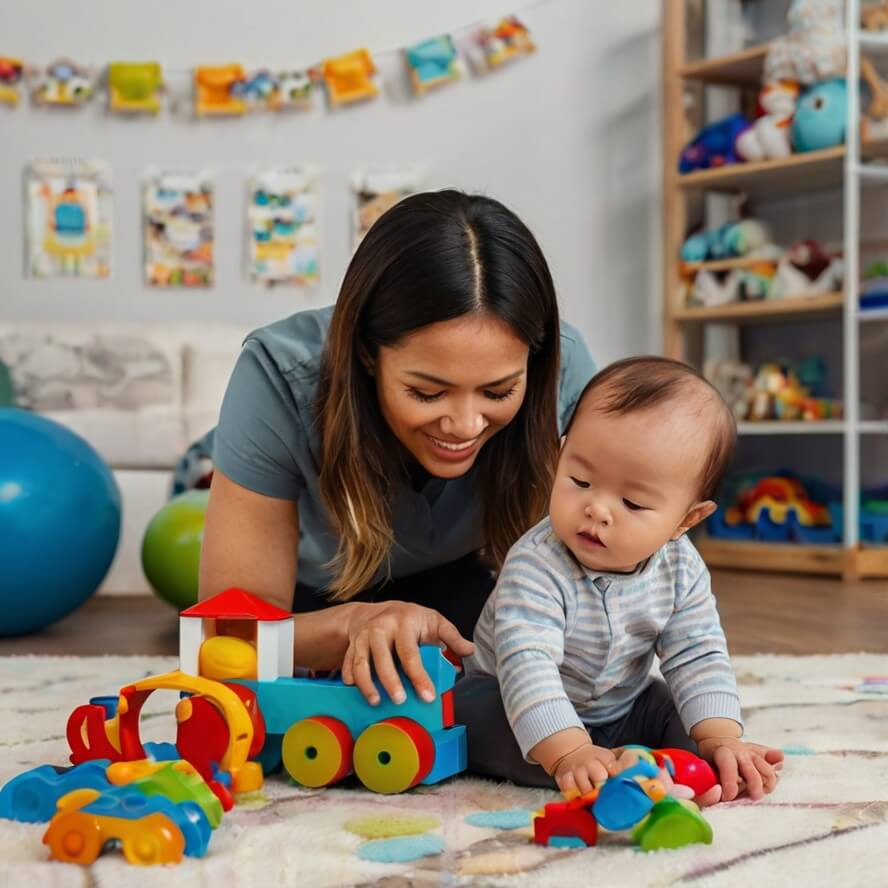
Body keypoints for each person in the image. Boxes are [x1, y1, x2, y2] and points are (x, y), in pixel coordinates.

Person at [198, 189, 596, 706]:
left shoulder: (563, 373)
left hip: (471, 580)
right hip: (319, 600)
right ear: (366, 353)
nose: (465, 424)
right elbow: (227, 641)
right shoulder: (277, 376)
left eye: (498, 392)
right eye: (427, 392)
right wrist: (354, 624)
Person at [456, 356, 784, 804]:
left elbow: (697, 651)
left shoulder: (680, 569)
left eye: (632, 502)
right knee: (482, 721)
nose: (598, 509)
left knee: (678, 710)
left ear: (685, 520)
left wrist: (719, 736)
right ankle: (600, 768)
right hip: (508, 697)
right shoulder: (536, 564)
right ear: (560, 456)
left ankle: (694, 763)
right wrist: (569, 750)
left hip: (619, 706)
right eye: (580, 480)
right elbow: (525, 661)